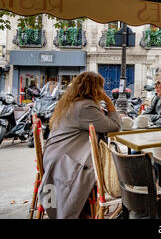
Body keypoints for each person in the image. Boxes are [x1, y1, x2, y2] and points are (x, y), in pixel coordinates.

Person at [38, 71, 121, 219]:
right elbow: (115, 126)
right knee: (105, 170)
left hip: (54, 155)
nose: (103, 91)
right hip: (64, 161)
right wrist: (108, 101)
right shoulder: (85, 107)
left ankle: (87, 210)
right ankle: (86, 211)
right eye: (101, 87)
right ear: (94, 88)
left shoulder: (72, 103)